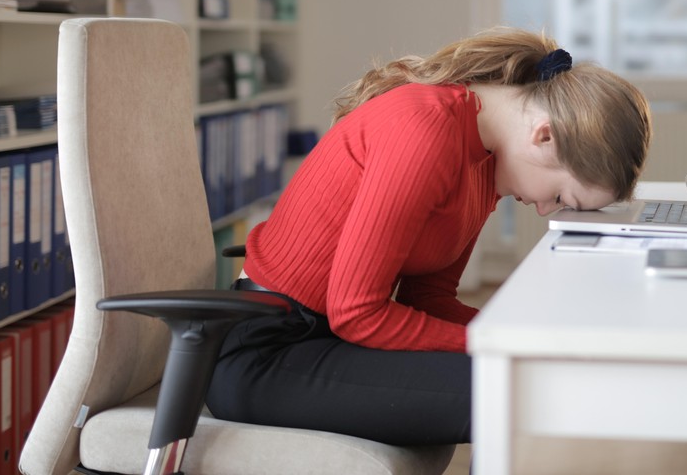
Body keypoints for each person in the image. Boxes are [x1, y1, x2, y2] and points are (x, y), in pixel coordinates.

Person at [206, 26, 652, 446]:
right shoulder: (426, 127)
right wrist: (500, 341)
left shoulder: (485, 163)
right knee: (525, 393)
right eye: (560, 196)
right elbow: (357, 313)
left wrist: (524, 335)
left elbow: (430, 298)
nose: (544, 209)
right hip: (268, 355)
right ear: (545, 136)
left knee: (533, 377)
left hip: (328, 341)